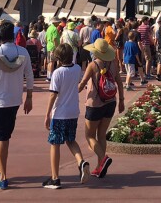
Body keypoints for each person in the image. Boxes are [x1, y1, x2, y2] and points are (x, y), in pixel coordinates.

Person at [0, 22, 34, 190]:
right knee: (5, 137)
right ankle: (0, 168)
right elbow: (29, 75)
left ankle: (2, 174)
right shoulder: (22, 52)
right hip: (15, 101)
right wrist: (29, 97)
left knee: (1, 138)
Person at [43, 43, 89, 189]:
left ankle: (55, 177)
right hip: (73, 111)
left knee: (55, 143)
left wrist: (47, 113)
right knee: (71, 140)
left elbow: (53, 95)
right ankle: (81, 162)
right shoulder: (76, 69)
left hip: (60, 113)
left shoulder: (58, 73)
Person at [79, 38, 124, 178]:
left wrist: (71, 91)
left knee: (89, 136)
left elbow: (82, 84)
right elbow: (120, 83)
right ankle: (99, 167)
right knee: (101, 135)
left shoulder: (92, 65)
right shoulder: (113, 63)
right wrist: (122, 100)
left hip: (95, 104)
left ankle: (103, 159)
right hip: (110, 102)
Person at [136, 18, 153, 82]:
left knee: (142, 59)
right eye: (147, 20)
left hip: (140, 44)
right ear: (145, 21)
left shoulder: (139, 27)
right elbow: (150, 35)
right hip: (146, 44)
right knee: (148, 59)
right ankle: (147, 73)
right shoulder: (147, 27)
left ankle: (142, 73)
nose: (148, 22)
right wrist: (152, 42)